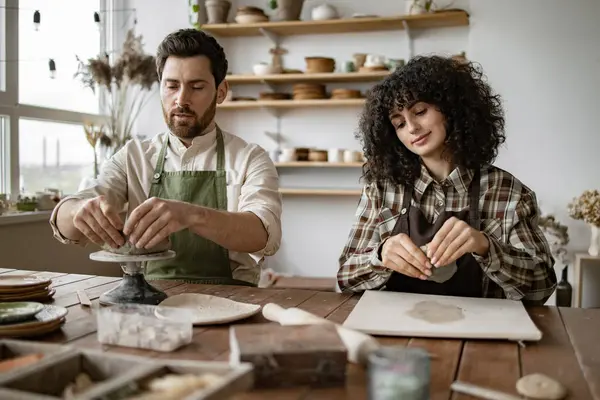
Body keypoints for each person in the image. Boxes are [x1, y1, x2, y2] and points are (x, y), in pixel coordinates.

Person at [50, 29, 282, 286]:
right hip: (148, 303)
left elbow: (262, 234)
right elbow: (66, 222)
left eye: (196, 87)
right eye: (172, 86)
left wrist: (190, 215)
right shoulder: (134, 157)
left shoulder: (250, 158)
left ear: (220, 91)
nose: (181, 99)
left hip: (235, 302)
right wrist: (77, 211)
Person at [337, 55, 556, 305]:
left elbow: (543, 286)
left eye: (420, 111)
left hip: (479, 335)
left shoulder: (507, 192)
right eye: (399, 123)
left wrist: (486, 247)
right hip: (397, 331)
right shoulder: (381, 190)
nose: (412, 128)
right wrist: (379, 255)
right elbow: (345, 278)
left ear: (451, 107)